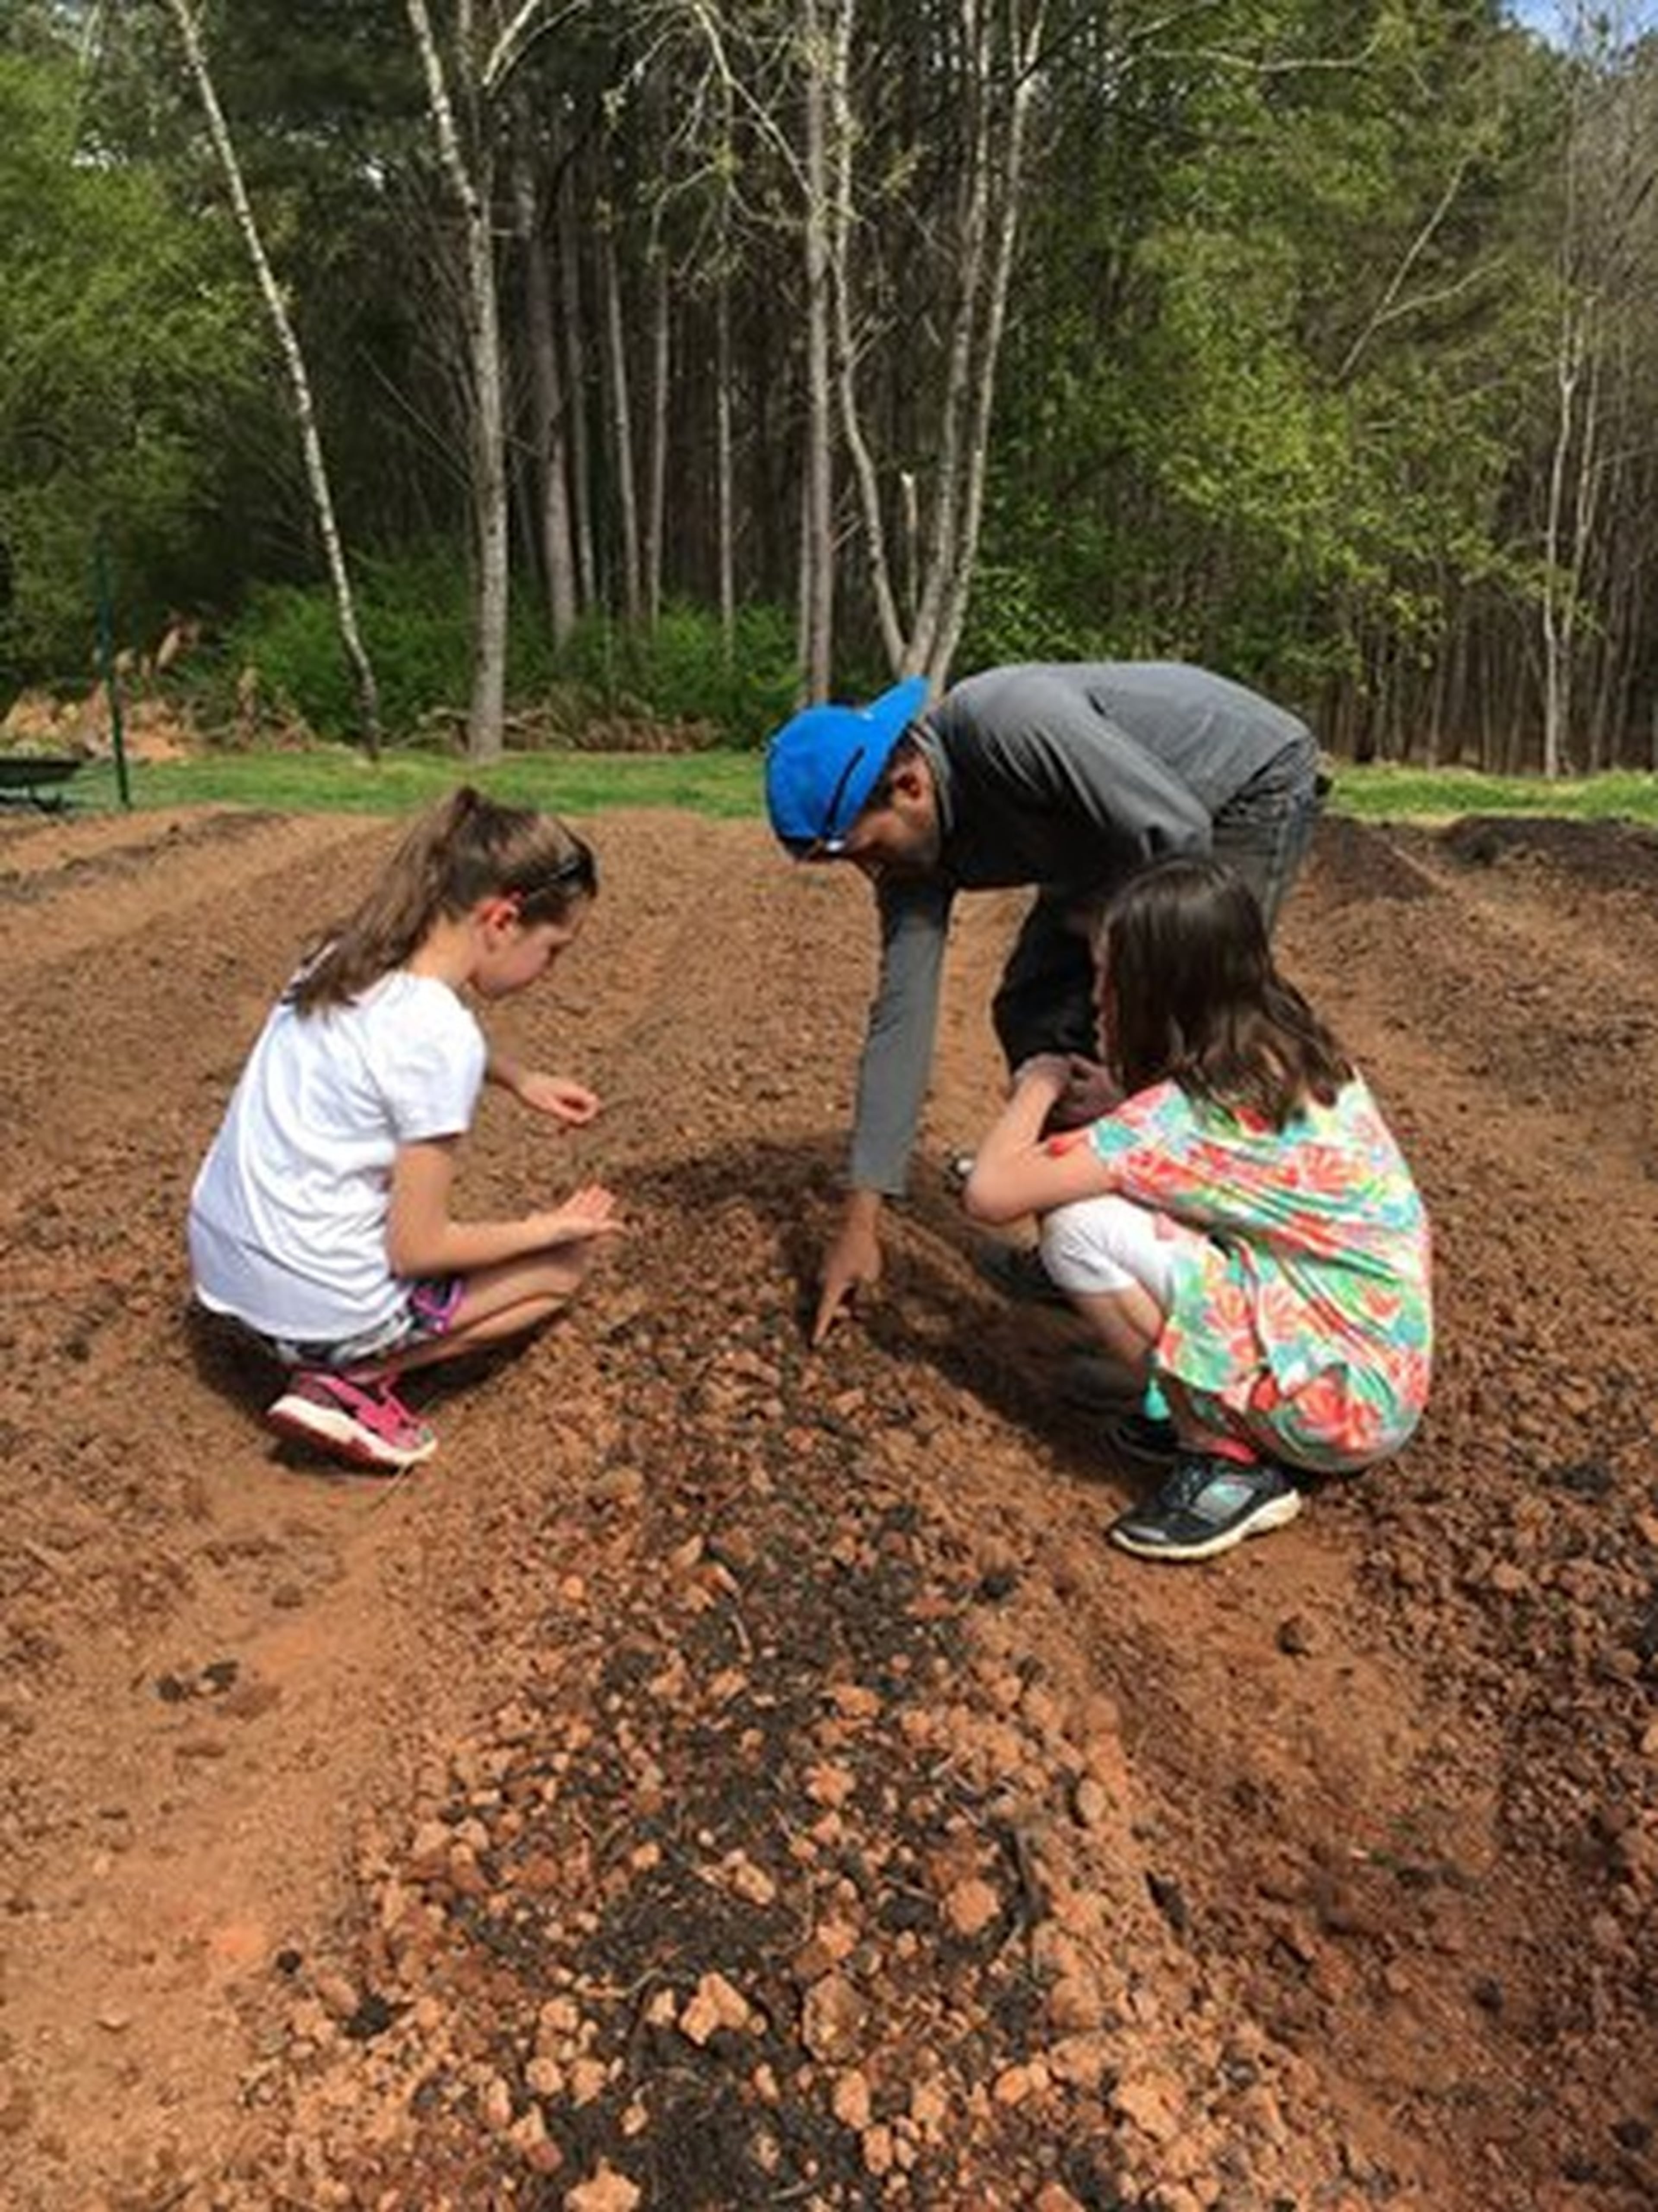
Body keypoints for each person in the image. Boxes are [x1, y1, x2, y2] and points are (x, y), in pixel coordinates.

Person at [763, 660, 1328, 1344]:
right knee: (1035, 1011)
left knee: (1177, 1029)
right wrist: (860, 1223)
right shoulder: (912, 854)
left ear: (909, 786)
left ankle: (1199, 1299)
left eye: (864, 851)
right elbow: (901, 1020)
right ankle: (1084, 1250)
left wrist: (1129, 1049)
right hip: (1108, 833)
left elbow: (1175, 837)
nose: (870, 873)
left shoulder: (1010, 725)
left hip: (1235, 790)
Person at [962, 856, 1432, 1561]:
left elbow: (990, 1193)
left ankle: (1223, 1453)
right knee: (1128, 1201)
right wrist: (1122, 1109)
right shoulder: (1286, 1049)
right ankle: (1228, 1406)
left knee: (1079, 1229)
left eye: (1106, 977)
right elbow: (1218, 1162)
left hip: (1335, 1410)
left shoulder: (1180, 1119)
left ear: (1157, 989)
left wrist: (1040, 1079)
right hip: (1376, 1365)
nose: (1096, 998)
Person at [188, 787, 622, 1474]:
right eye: (554, 949)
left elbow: (399, 1046)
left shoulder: (341, 957)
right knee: (560, 1272)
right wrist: (549, 1228)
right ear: (503, 919)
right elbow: (417, 1248)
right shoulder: (440, 1038)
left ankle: (326, 1354)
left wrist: (518, 1078)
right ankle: (349, 1384)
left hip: (223, 1276)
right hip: (316, 1313)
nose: (552, 971)